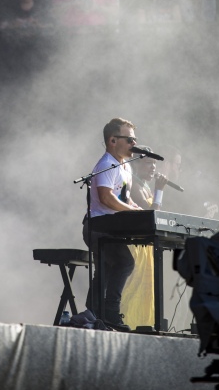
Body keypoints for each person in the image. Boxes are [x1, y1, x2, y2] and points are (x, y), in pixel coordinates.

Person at [82, 117, 142, 330]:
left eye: (134, 140)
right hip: (98, 227)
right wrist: (131, 212)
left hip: (109, 227)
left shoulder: (125, 166)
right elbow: (106, 198)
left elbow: (124, 198)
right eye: (130, 140)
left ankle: (94, 313)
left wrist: (136, 209)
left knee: (108, 268)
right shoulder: (107, 164)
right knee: (124, 262)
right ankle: (109, 313)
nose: (134, 144)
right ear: (113, 140)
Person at [120, 147, 170, 329]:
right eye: (149, 163)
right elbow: (151, 218)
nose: (153, 168)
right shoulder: (134, 185)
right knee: (133, 290)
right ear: (136, 163)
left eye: (155, 164)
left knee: (146, 292)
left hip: (146, 247)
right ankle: (127, 326)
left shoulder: (144, 186)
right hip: (136, 248)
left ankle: (143, 327)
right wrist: (160, 190)